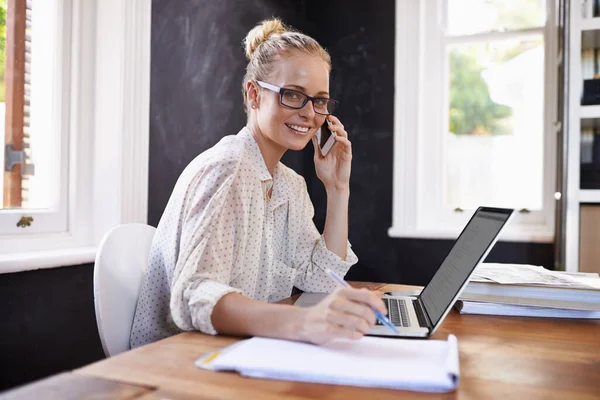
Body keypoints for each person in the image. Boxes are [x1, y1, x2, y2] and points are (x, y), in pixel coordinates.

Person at [130, 18, 386, 348]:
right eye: (293, 94)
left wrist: (338, 189)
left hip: (240, 350)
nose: (309, 113)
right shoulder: (229, 169)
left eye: (319, 100)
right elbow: (194, 294)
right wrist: (303, 322)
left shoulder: (289, 185)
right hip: (178, 361)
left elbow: (322, 281)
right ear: (254, 95)